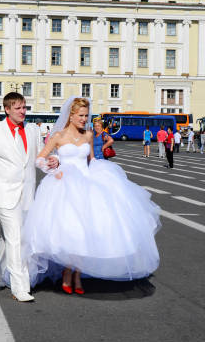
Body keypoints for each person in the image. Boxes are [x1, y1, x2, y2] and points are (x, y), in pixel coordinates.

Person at [21, 97, 161, 294]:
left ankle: (76, 274)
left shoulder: (88, 135)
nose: (84, 119)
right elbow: (39, 159)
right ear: (71, 115)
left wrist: (104, 173)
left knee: (87, 233)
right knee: (72, 232)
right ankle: (68, 273)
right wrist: (54, 171)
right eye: (81, 115)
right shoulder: (58, 136)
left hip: (86, 184)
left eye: (86, 115)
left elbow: (91, 160)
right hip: (64, 186)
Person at [0, 92, 58, 302]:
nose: (22, 111)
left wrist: (53, 162)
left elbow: (40, 156)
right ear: (7, 110)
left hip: (27, 193)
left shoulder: (32, 130)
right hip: (3, 193)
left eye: (24, 107)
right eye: (18, 108)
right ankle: (20, 287)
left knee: (8, 236)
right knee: (16, 238)